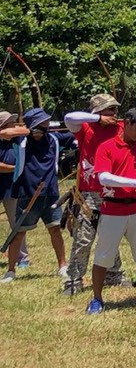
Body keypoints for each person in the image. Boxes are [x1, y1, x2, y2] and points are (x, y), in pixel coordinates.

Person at [89, 108, 136, 313]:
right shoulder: (107, 147)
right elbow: (103, 177)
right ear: (125, 123)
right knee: (104, 256)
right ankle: (97, 299)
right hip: (113, 209)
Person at [62, 94, 128, 294]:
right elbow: (69, 118)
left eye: (116, 110)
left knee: (110, 235)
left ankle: (113, 274)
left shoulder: (121, 127)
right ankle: (73, 280)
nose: (114, 114)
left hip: (112, 191)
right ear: (97, 111)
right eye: (110, 110)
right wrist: (99, 119)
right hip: (89, 193)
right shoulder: (84, 127)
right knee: (83, 237)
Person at [3, 108, 68, 282]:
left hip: (50, 193)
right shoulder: (22, 140)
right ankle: (10, 271)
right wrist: (29, 130)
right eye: (39, 124)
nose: (43, 127)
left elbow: (76, 134)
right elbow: (5, 132)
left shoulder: (54, 138)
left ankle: (63, 266)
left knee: (55, 229)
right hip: (27, 193)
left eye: (45, 123)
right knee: (19, 233)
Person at [0, 110, 31, 272]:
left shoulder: (18, 139)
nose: (13, 126)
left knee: (17, 223)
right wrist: (18, 168)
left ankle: (23, 257)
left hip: (12, 189)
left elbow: (27, 131)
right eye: (9, 123)